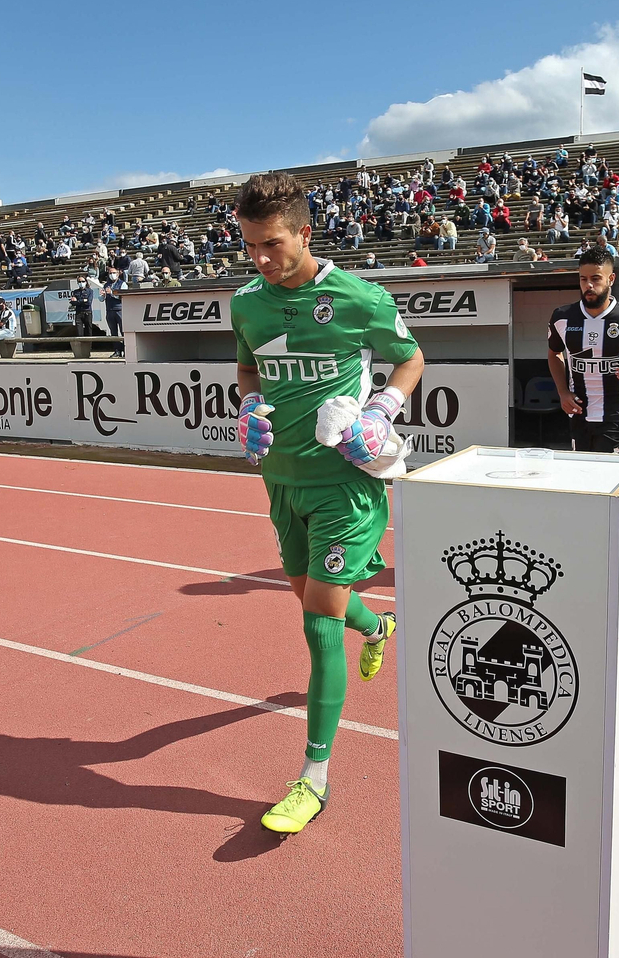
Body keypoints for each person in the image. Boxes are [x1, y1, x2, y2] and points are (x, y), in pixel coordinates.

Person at [229, 172, 424, 835]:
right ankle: (377, 628)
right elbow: (250, 364)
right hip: (280, 482)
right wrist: (249, 403)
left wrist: (383, 408)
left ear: (305, 233)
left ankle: (313, 777)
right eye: (250, 245)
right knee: (312, 596)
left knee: (317, 624)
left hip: (345, 484)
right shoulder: (247, 303)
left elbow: (410, 357)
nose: (261, 258)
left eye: (273, 244)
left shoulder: (357, 297)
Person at [547, 247, 619, 453]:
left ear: (611, 279)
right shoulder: (562, 317)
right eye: (583, 279)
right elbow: (554, 353)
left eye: (596, 279)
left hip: (616, 412)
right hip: (579, 410)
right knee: (582, 473)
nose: (589, 285)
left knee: (608, 476)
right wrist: (562, 392)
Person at [102, 268, 125, 355]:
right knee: (113, 332)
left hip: (120, 309)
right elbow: (101, 299)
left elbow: (122, 296)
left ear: (118, 274)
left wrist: (111, 292)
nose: (112, 274)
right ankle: (117, 350)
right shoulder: (106, 285)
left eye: (114, 273)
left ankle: (126, 350)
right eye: (110, 273)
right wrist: (103, 295)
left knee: (123, 331)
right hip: (109, 310)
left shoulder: (122, 284)